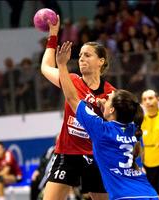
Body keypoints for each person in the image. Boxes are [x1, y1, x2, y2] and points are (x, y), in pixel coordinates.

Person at [55, 41, 159, 200]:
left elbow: (72, 98)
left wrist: (62, 65)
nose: (105, 98)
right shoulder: (132, 129)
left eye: (109, 99)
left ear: (112, 110)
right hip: (148, 192)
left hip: (125, 197)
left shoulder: (100, 130)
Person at [41, 16, 115, 200]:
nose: (81, 58)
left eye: (87, 55)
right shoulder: (71, 80)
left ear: (101, 61)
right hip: (68, 154)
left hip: (96, 156)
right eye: (80, 55)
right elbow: (45, 67)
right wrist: (53, 35)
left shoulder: (111, 93)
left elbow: (115, 127)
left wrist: (107, 110)